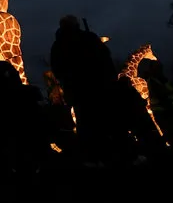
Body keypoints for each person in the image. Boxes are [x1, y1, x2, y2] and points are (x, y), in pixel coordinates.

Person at [49, 15, 133, 167]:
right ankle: (118, 156)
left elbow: (58, 70)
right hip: (96, 89)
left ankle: (93, 157)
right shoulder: (88, 38)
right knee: (107, 121)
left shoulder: (58, 45)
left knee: (86, 124)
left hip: (80, 92)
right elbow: (106, 59)